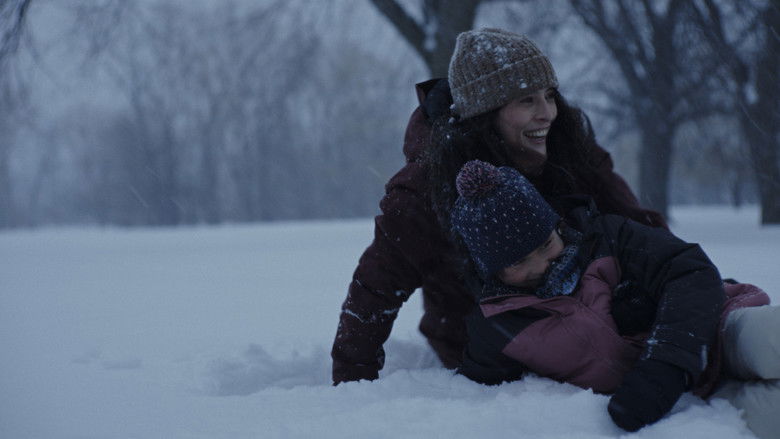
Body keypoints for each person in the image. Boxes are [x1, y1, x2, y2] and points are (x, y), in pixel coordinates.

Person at [331, 28, 667, 385]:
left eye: (549, 96)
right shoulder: (425, 189)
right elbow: (374, 290)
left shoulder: (570, 149)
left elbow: (643, 232)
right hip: (492, 361)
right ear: (485, 114)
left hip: (596, 326)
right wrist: (353, 385)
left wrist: (670, 298)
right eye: (526, 101)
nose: (547, 113)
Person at [451, 159, 780, 438]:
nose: (541, 265)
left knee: (771, 339)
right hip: (691, 402)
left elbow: (689, 270)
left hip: (718, 329)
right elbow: (478, 399)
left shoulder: (607, 237)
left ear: (557, 226)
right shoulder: (497, 327)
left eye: (546, 244)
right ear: (491, 271)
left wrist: (666, 362)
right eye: (519, 262)